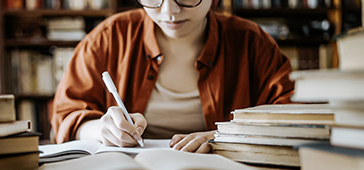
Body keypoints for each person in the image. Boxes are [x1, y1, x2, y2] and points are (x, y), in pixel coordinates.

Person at [51, 0, 294, 153]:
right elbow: (66, 116)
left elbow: (294, 115)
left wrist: (224, 137)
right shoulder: (109, 38)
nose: (170, 11)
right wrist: (100, 130)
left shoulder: (251, 42)